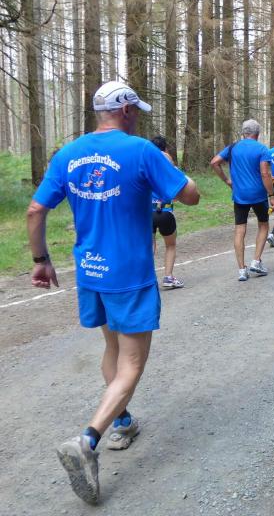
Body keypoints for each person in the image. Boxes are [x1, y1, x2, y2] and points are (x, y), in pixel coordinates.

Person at [27, 81, 200, 504]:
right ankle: (87, 440)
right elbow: (191, 197)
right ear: (124, 110)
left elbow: (35, 209)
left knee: (112, 347)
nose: (137, 116)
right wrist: (175, 170)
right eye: (135, 110)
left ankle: (123, 421)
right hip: (130, 274)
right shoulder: (142, 151)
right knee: (132, 363)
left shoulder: (68, 154)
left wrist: (40, 259)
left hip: (91, 271)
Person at [210, 119, 274, 281]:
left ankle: (241, 270)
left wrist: (227, 180)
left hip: (239, 194)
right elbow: (265, 173)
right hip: (258, 194)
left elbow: (214, 162)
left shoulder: (233, 148)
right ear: (257, 133)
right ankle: (256, 261)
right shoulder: (262, 149)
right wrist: (272, 195)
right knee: (263, 225)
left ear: (243, 133)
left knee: (240, 229)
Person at [150, 135, 184, 289]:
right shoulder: (170, 167)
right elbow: (179, 190)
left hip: (147, 212)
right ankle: (168, 277)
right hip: (165, 211)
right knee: (170, 245)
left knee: (149, 246)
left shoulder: (146, 167)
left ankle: (146, 279)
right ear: (166, 149)